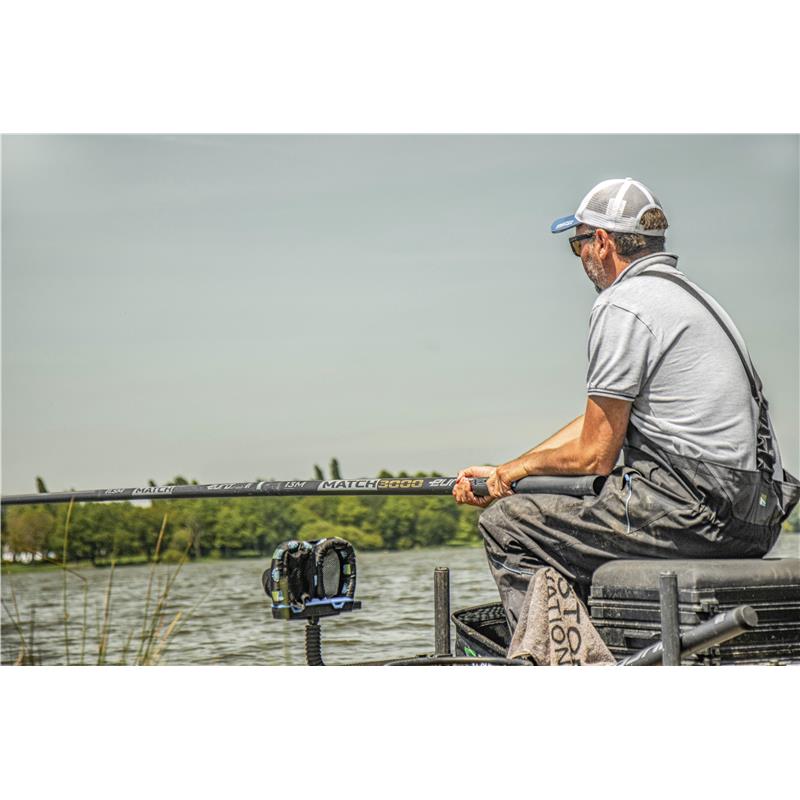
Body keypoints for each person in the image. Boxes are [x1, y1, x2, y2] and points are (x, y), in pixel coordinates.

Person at [453, 177, 799, 631]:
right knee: (547, 501)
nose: (580, 258)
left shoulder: (623, 303)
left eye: (577, 245)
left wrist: (510, 478)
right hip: (755, 516)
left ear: (601, 242)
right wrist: (509, 470)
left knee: (508, 523)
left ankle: (560, 658)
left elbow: (594, 455)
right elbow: (598, 423)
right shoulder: (688, 297)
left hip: (695, 512)